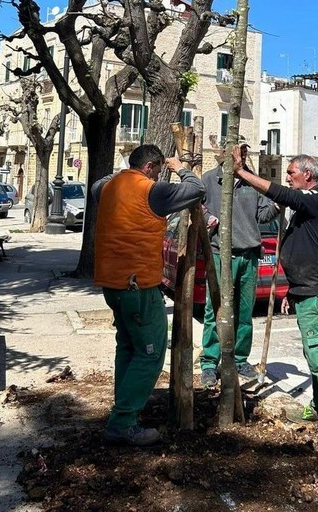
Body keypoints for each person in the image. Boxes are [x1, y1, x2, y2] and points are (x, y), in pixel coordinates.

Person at [232, 152, 318, 447]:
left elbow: (279, 193)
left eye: (291, 172)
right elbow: (307, 246)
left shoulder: (315, 199)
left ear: (308, 175)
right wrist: (291, 289)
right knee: (316, 353)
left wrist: (242, 174)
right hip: (310, 289)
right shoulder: (312, 205)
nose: (288, 176)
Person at [91, 144, 205, 446]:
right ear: (151, 167)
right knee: (151, 352)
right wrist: (180, 166)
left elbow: (99, 183)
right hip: (137, 284)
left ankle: (123, 408)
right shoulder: (152, 190)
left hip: (111, 284)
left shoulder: (106, 188)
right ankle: (123, 422)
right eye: (157, 170)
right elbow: (196, 188)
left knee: (128, 346)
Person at [198, 144, 279, 387]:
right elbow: (194, 205)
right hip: (220, 254)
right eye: (236, 152)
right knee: (216, 309)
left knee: (245, 312)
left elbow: (263, 215)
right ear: (224, 155)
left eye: (244, 153)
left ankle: (239, 359)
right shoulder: (210, 180)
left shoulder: (252, 182)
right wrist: (207, 217)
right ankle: (210, 363)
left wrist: (277, 205)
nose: (241, 157)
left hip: (249, 255)